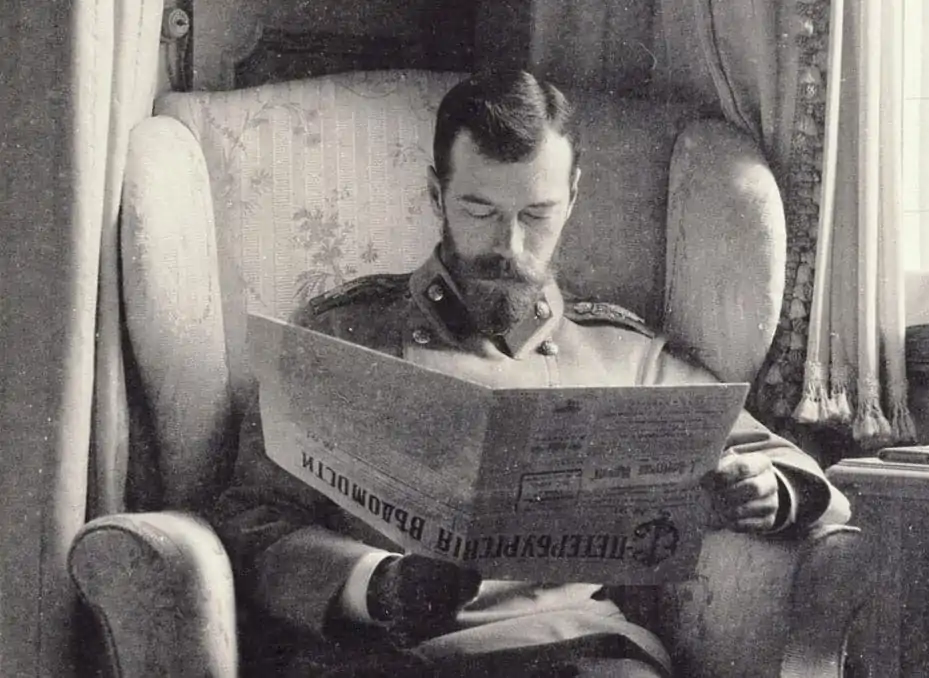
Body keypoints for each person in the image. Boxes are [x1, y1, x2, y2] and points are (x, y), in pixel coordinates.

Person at [211, 69, 851, 678]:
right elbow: (250, 519)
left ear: (571, 199)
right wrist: (372, 583)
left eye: (535, 215)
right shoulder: (337, 338)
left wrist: (772, 488)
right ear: (436, 195)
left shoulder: (619, 353)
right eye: (481, 211)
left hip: (573, 649)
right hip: (384, 653)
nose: (510, 248)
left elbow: (792, 467)